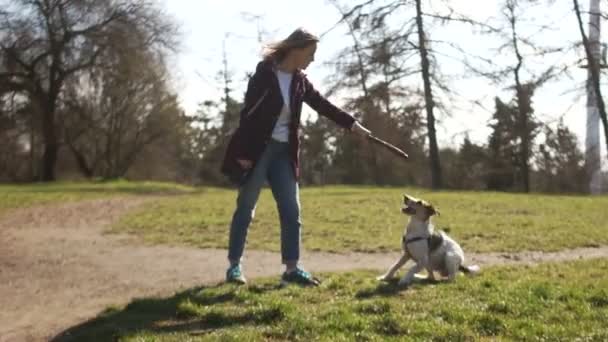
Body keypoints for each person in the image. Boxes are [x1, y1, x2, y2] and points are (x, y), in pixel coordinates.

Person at [221, 27, 371, 286]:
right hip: (258, 151)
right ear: (296, 50)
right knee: (246, 207)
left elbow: (323, 105)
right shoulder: (265, 73)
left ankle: (292, 268)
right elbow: (248, 115)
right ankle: (234, 266)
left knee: (291, 210)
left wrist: (351, 124)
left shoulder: (300, 81)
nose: (313, 59)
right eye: (311, 53)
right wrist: (244, 153)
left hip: (284, 153)